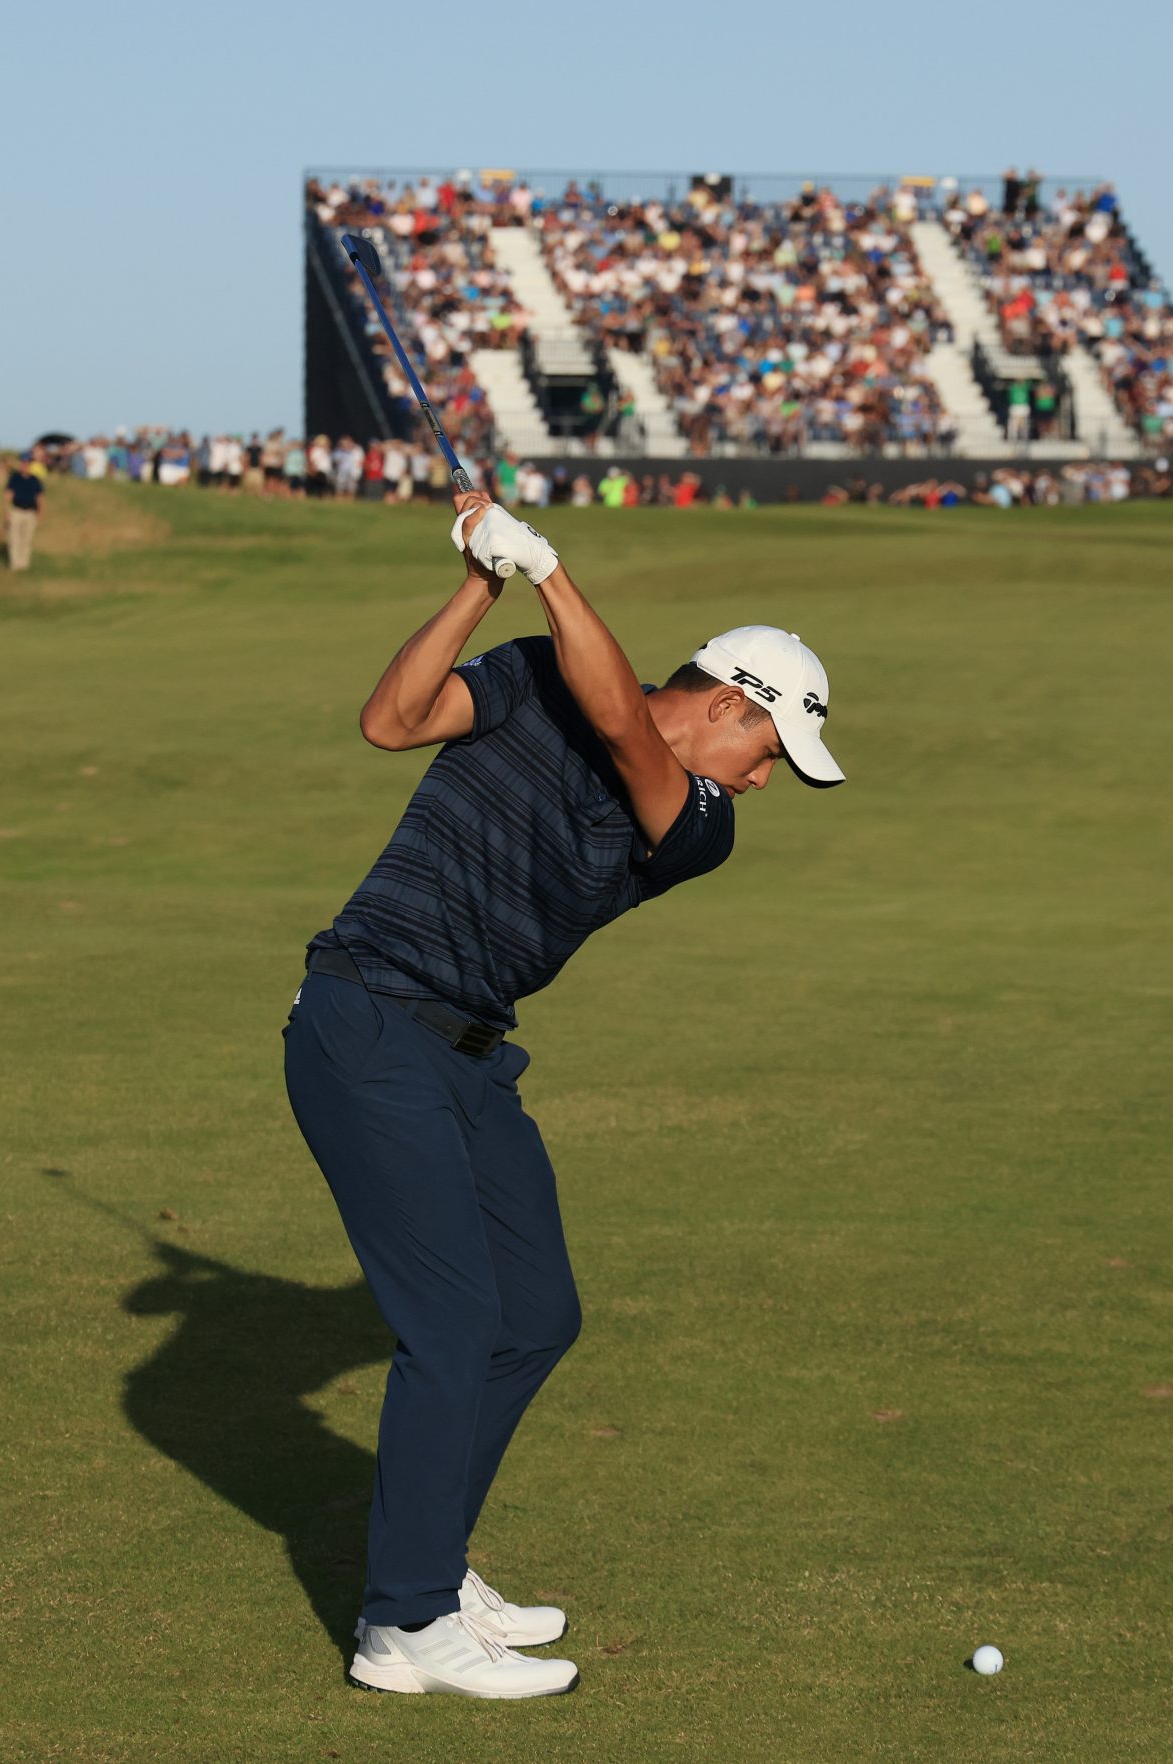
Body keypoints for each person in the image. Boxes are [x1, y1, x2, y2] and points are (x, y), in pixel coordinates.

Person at [285, 492, 845, 1698]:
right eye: (768, 753)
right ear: (728, 704)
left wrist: (546, 564)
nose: (761, 782)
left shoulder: (694, 822)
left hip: (469, 1055)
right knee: (450, 1327)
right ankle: (402, 1625)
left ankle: (431, 1567)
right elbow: (391, 722)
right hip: (367, 1020)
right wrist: (481, 584)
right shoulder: (534, 673)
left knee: (533, 1315)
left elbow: (624, 729)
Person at [3, 451, 45, 570]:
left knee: (27, 540)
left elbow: (40, 498)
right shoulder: (14, 478)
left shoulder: (35, 480)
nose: (25, 465)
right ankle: (15, 564)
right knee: (14, 538)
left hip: (31, 513)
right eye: (23, 462)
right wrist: (7, 512)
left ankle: (23, 564)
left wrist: (40, 514)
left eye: (28, 463)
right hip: (17, 511)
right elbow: (8, 495)